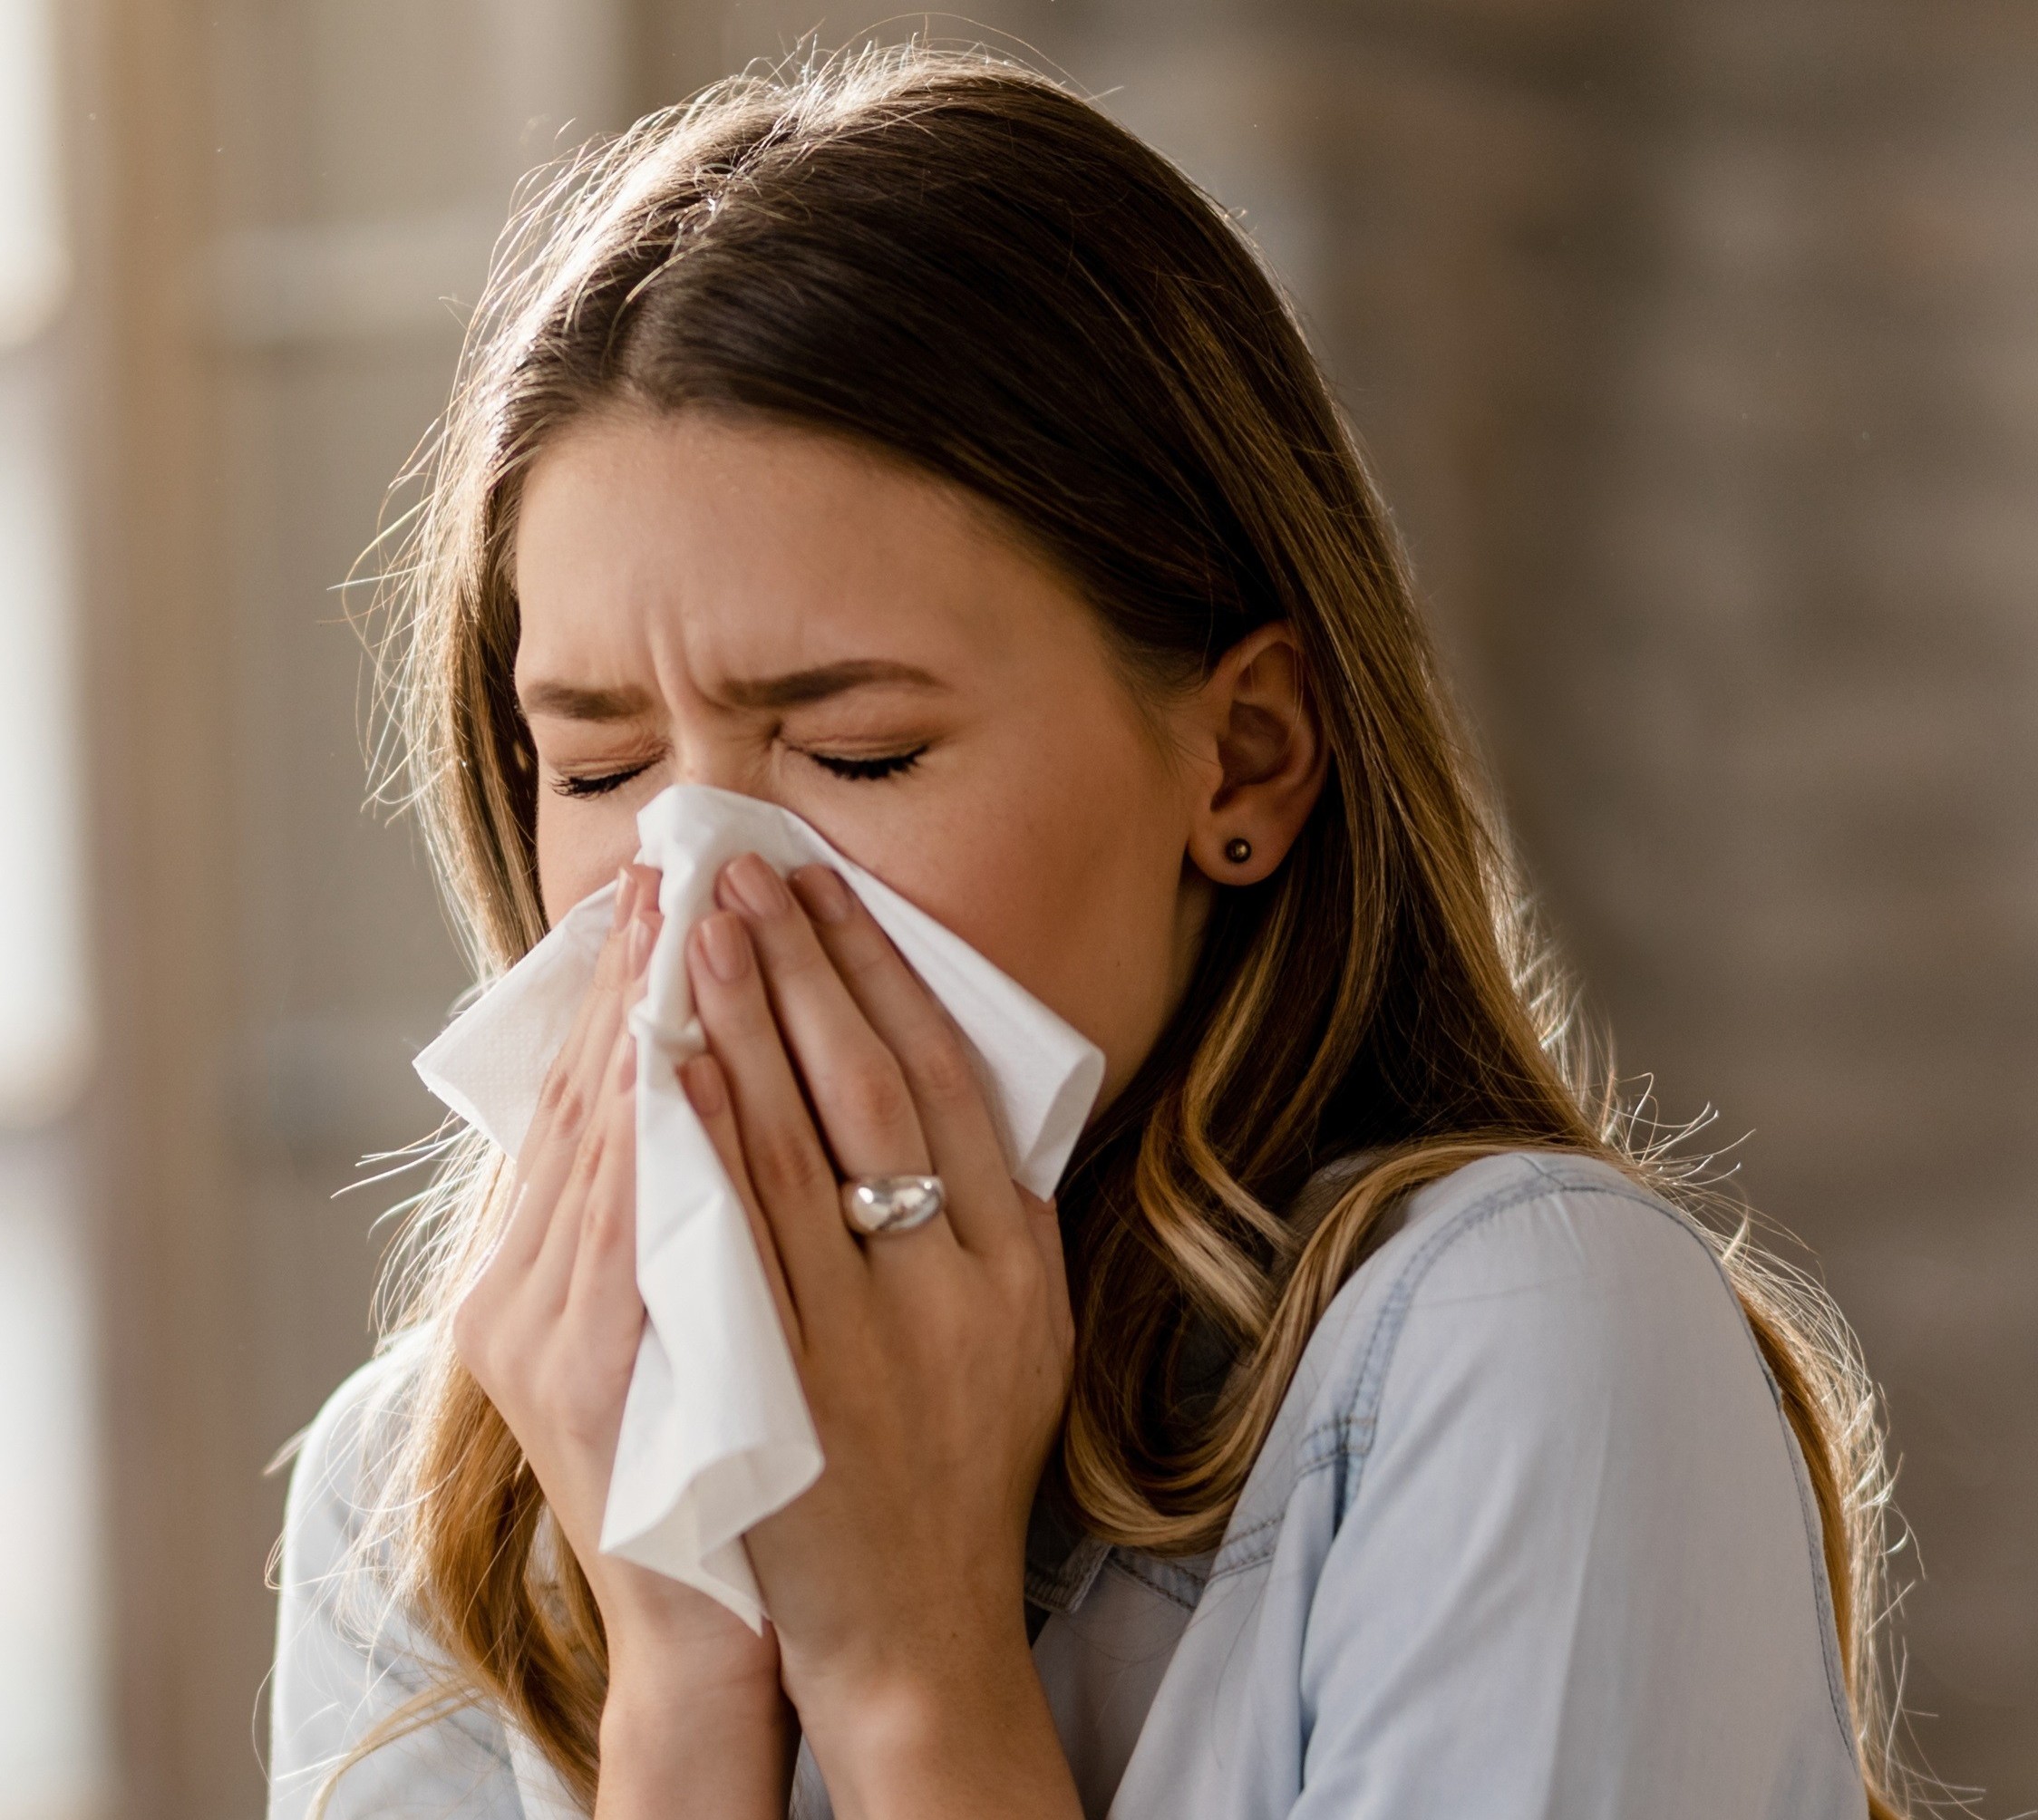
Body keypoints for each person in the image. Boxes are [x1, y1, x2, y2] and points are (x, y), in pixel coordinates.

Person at [271, 45, 1904, 1820]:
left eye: (855, 748)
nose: (702, 899)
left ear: (1247, 755)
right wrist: (675, 1681)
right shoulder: (428, 1485)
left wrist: (912, 1667)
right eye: (595, 760)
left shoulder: (1513, 1338)